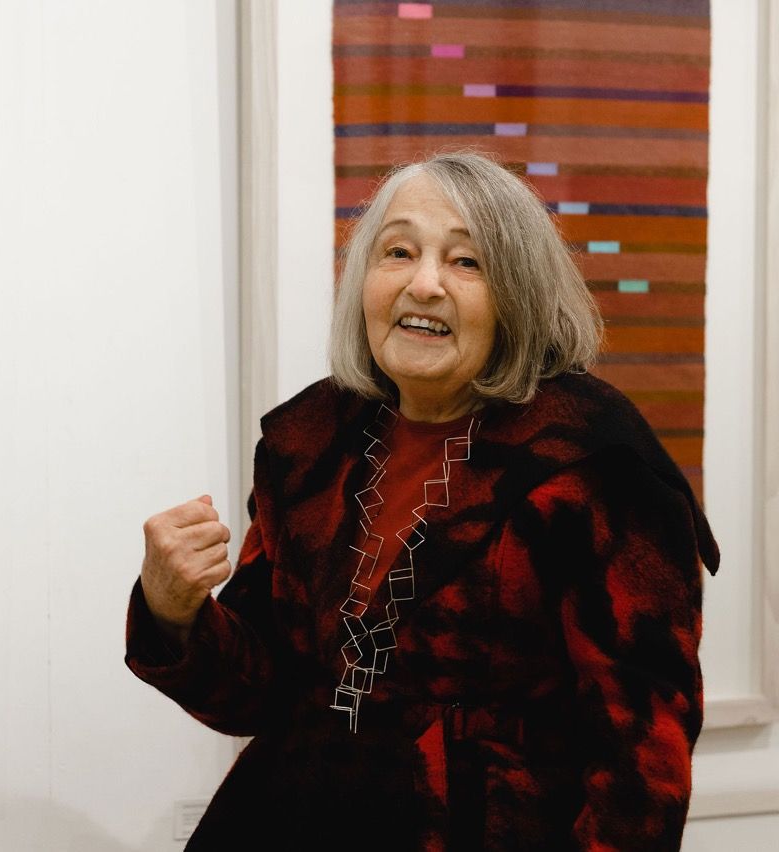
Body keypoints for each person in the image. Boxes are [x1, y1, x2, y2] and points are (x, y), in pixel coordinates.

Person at [125, 151, 719, 850]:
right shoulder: (309, 442)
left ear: (520, 293)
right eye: (398, 252)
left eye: (466, 262)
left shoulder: (596, 463)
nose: (424, 284)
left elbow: (642, 757)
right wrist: (173, 609)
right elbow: (258, 695)